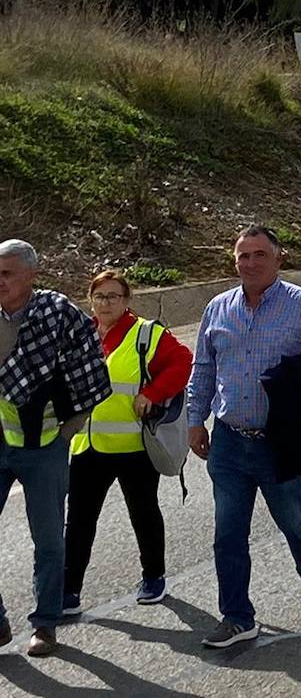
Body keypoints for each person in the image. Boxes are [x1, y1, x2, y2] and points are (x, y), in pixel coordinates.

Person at [188, 225, 301, 649]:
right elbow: (203, 367)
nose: (251, 263)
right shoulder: (218, 308)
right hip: (228, 442)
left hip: (282, 441)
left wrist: (296, 383)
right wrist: (194, 419)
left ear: (278, 258)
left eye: (259, 255)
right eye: (243, 256)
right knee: (227, 533)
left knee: (296, 522)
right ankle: (237, 617)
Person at [0, 239, 110, 658]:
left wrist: (70, 429)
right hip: (0, 439)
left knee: (47, 539)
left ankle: (45, 624)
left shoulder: (58, 314)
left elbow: (92, 373)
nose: (0, 281)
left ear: (32, 275)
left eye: (8, 273)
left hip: (45, 445)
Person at [63, 270, 193, 617]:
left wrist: (152, 392)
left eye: (113, 296)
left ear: (126, 301)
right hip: (88, 446)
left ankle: (153, 577)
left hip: (134, 446)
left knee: (143, 513)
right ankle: (69, 590)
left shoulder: (146, 334)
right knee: (78, 520)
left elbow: (182, 362)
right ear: (90, 299)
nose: (106, 303)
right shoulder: (80, 335)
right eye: (100, 296)